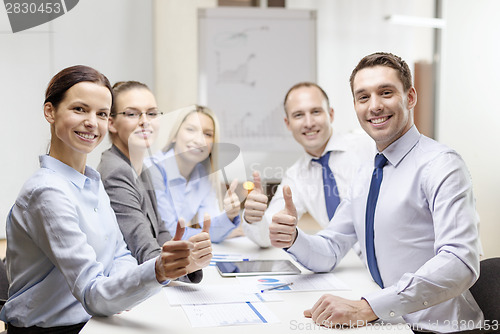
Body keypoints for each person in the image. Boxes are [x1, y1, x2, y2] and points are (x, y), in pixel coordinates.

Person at [269, 53, 483, 333]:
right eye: (363, 97)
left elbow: (459, 262)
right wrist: (294, 238)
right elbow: (331, 249)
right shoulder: (367, 171)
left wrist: (368, 307)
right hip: (389, 323)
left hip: (439, 328)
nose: (375, 106)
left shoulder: (441, 165)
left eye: (386, 92)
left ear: (410, 97)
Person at [0, 66, 198, 333]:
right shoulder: (47, 192)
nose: (92, 122)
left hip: (96, 321)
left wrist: (121, 290)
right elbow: (93, 293)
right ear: (50, 112)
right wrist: (158, 271)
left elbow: (121, 255)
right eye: (80, 109)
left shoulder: (91, 182)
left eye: (102, 113)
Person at [97, 81, 212, 283]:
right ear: (111, 123)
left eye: (151, 113)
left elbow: (160, 231)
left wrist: (185, 258)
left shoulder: (140, 168)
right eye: (132, 114)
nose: (145, 121)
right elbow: (143, 249)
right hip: (125, 286)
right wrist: (185, 263)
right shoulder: (116, 172)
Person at [243, 82, 373, 248]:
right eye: (298, 115)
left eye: (316, 112)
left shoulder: (369, 146)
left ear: (331, 114)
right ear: (287, 123)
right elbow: (268, 236)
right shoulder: (296, 176)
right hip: (344, 263)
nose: (309, 123)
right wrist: (253, 218)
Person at [146, 105, 241, 243]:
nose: (199, 140)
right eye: (191, 130)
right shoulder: (153, 169)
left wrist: (230, 216)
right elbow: (169, 232)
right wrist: (212, 234)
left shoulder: (203, 176)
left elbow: (210, 228)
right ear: (174, 136)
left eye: (207, 134)